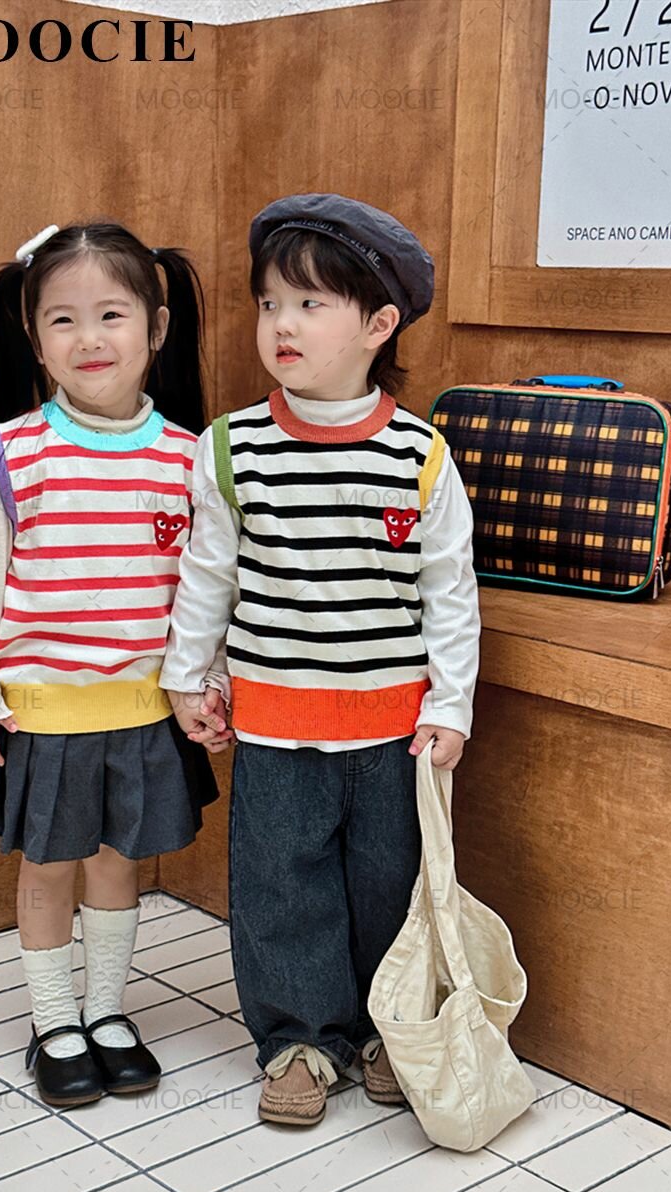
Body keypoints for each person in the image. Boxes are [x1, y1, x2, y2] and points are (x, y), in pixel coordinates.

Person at [160, 194, 481, 1125]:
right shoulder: (231, 447)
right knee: (279, 887)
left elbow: (449, 593)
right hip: (275, 723)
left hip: (393, 729)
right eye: (269, 304)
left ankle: (389, 1027)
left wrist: (450, 705)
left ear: (379, 324)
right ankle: (300, 1039)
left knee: (388, 885)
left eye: (309, 304)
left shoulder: (421, 454)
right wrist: (189, 678)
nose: (282, 325)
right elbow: (206, 577)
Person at [0, 221, 227, 1108]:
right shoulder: (15, 451)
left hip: (141, 710)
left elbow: (205, 591)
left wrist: (209, 684)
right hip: (40, 711)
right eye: (62, 319)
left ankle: (106, 1012)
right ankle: (52, 1021)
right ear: (34, 339)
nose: (89, 338)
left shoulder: (188, 456)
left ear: (157, 327)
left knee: (114, 864)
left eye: (111, 314)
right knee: (48, 868)